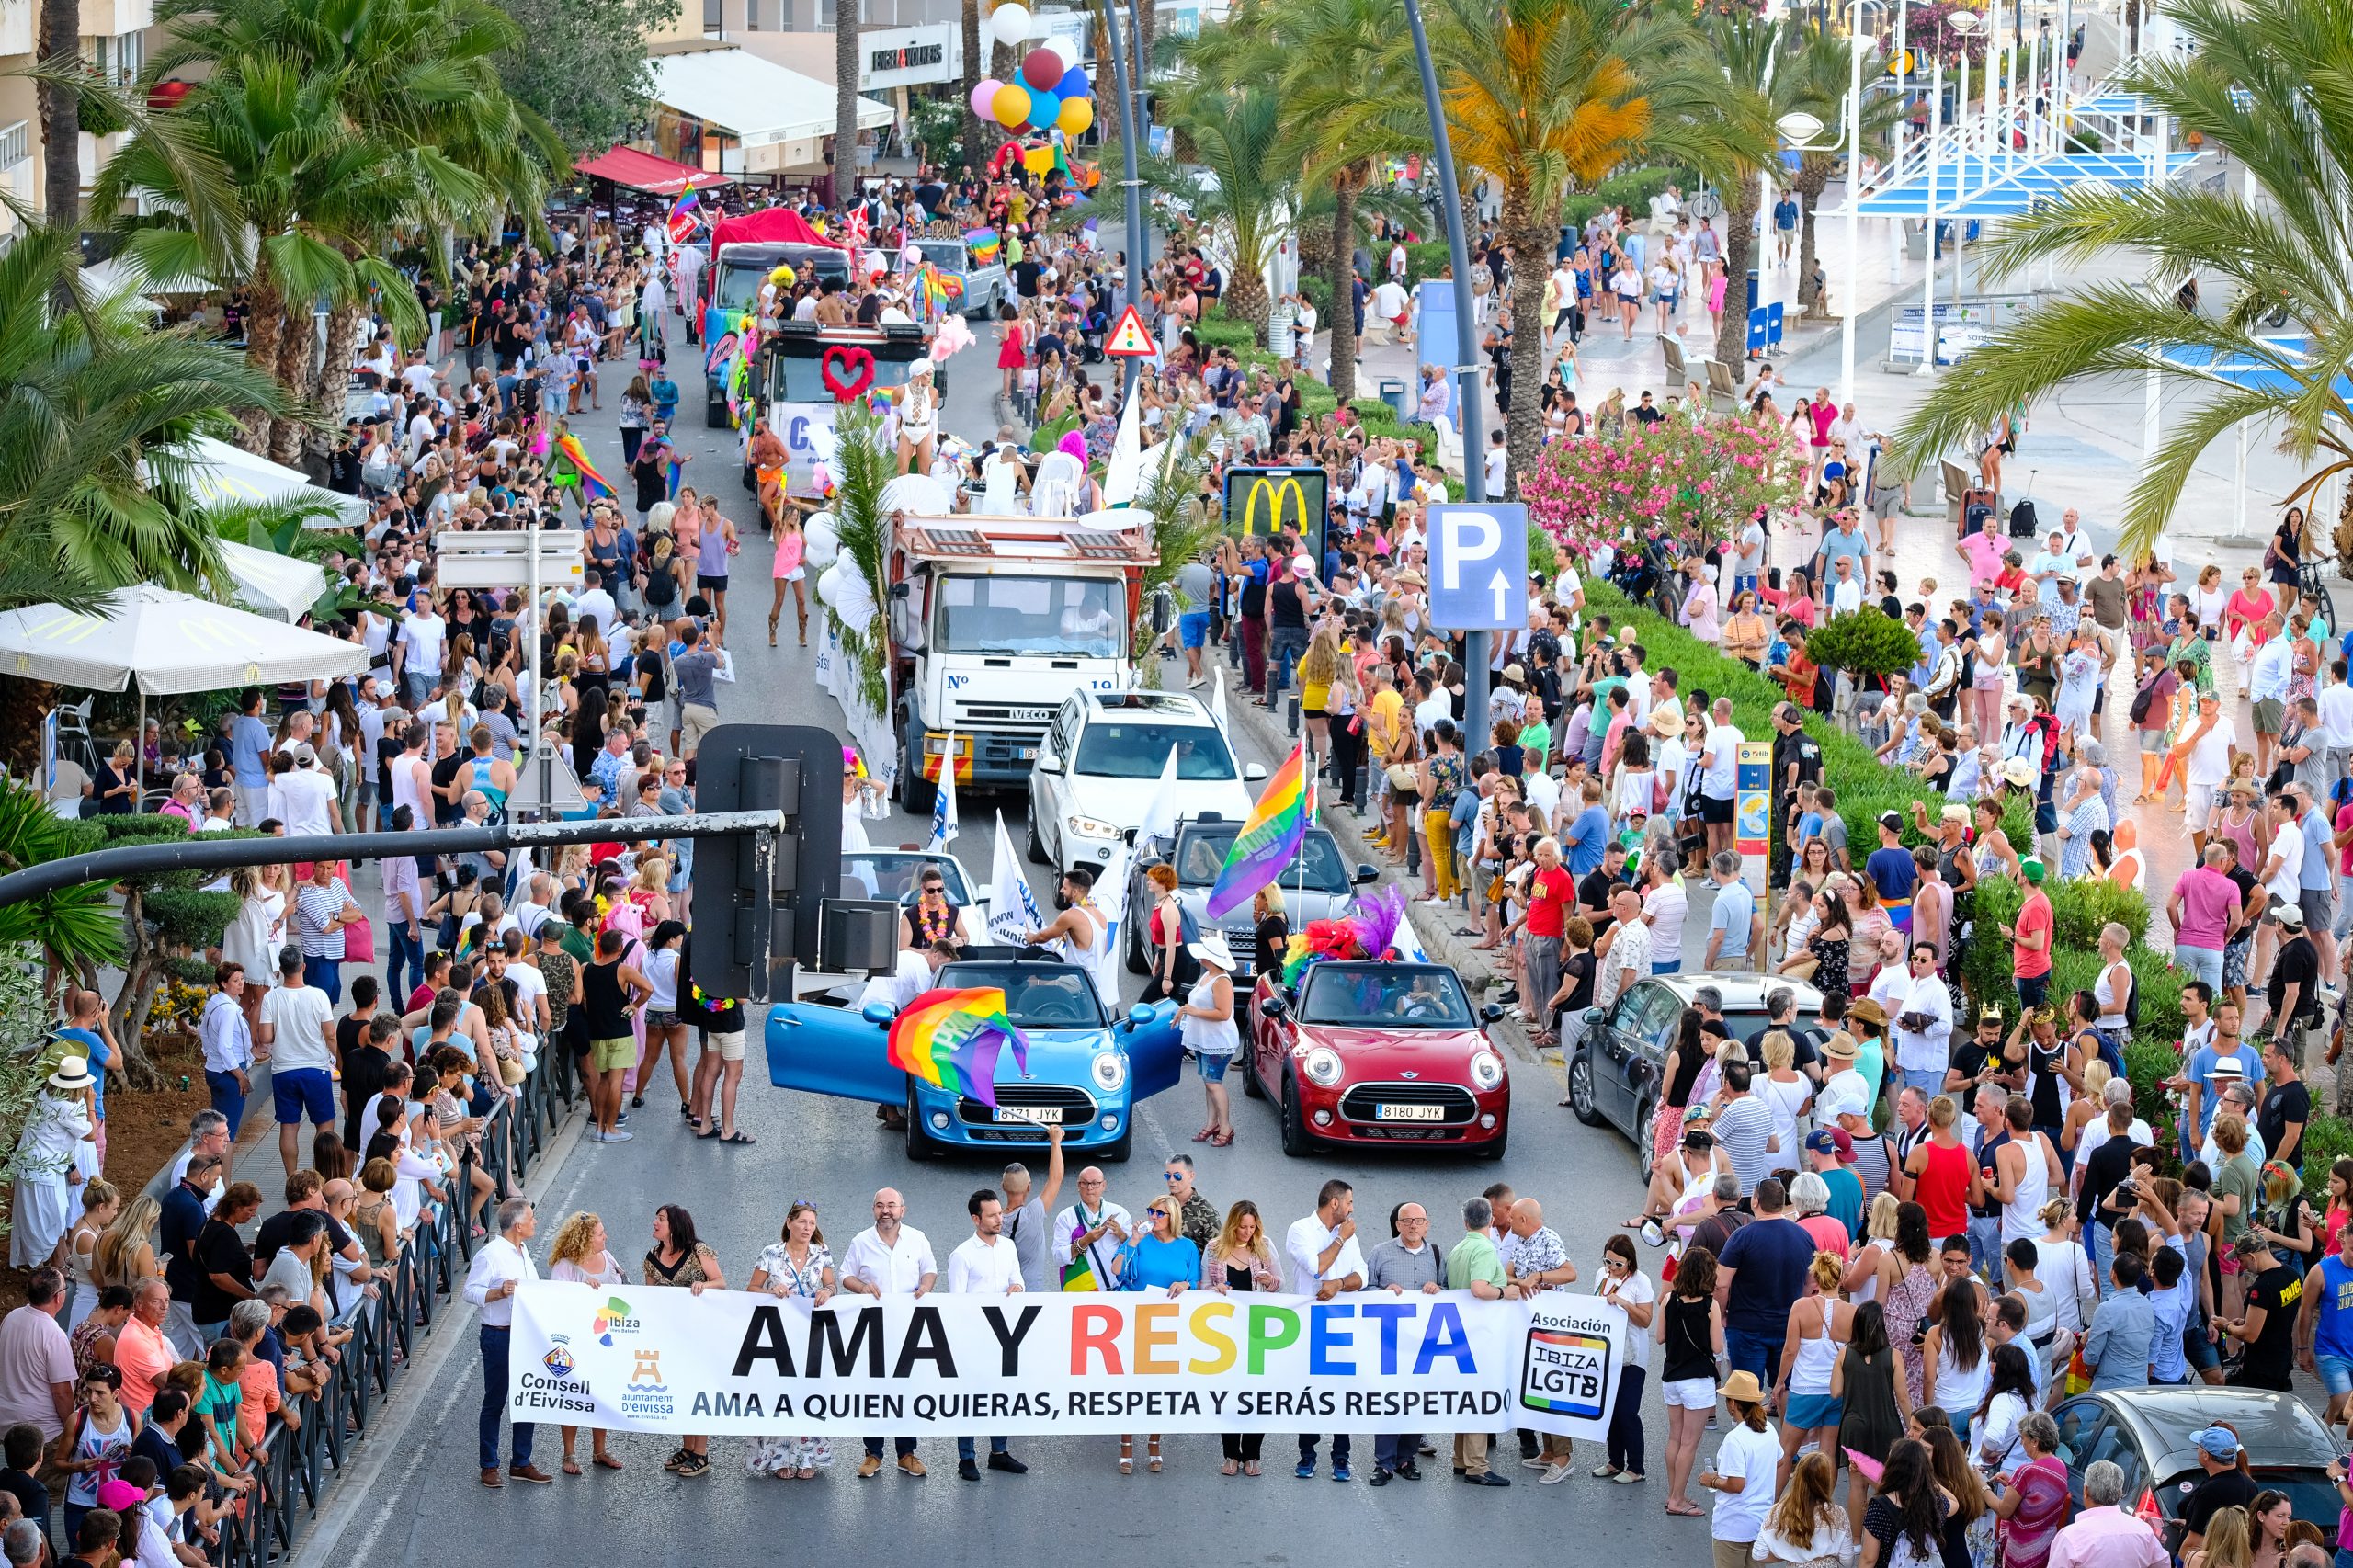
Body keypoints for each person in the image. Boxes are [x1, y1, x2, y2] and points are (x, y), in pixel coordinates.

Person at [839, 1188, 935, 1477]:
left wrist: (926, 1287)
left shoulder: (917, 1239)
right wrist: (862, 1287)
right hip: (873, 1329)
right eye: (880, 1206)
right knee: (875, 1392)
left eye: (891, 1206)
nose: (886, 1211)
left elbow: (929, 1269)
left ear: (902, 1210)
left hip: (909, 1329)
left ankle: (907, 1454)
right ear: (873, 1210)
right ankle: (873, 1454)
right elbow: (845, 1275)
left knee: (906, 1390)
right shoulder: (861, 1241)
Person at [461, 1198, 546, 1489]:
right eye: (532, 1218)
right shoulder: (491, 1254)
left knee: (526, 1399)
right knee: (495, 1401)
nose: (535, 1222)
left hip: (525, 1335)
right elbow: (470, 1292)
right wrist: (499, 1292)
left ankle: (521, 1462)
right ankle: (489, 1465)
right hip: (498, 1334)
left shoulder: (522, 1251)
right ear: (519, 1225)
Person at [944, 1189, 1027, 1481]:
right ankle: (966, 1458)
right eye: (991, 1215)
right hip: (974, 1339)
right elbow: (956, 1301)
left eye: (999, 1213)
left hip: (1006, 1336)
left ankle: (999, 1453)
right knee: (970, 1399)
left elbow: (1017, 1279)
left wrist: (1018, 1287)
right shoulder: (962, 1255)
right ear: (976, 1219)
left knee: (1001, 1396)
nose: (999, 1219)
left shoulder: (1008, 1247)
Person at [1287, 1179, 1365, 1480]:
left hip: (1342, 1321)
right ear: (1334, 1203)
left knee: (1342, 1393)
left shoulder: (1347, 1233)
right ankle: (1307, 1455)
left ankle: (1341, 1457)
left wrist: (1340, 1284)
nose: (1352, 1208)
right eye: (1349, 1202)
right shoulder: (1301, 1230)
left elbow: (1362, 1274)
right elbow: (1316, 1267)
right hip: (1309, 1324)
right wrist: (1340, 1240)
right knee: (1310, 1392)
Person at [1202, 1200, 1283, 1477]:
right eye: (1242, 1227)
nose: (1247, 1232)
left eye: (1252, 1227)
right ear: (1232, 1224)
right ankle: (1230, 1455)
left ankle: (1252, 1455)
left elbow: (1280, 1284)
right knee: (1228, 1393)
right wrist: (1216, 1288)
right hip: (1224, 1334)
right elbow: (1203, 1288)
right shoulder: (1214, 1249)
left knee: (1257, 1395)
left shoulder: (1264, 1246)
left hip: (1257, 1332)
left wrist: (1268, 1279)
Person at [1717, 1177, 1815, 1385]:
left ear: (1755, 1201)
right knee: (1786, 1388)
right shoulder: (1804, 1236)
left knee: (1747, 1390)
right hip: (1788, 1325)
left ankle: (1749, 1420)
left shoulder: (1741, 1237)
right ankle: (1785, 1418)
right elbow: (1810, 1283)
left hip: (1746, 1326)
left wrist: (1722, 1313)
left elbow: (1722, 1283)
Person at [1773, 1251, 1852, 1495]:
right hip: (1835, 1392)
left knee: (1785, 1452)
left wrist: (1778, 1384)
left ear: (1816, 1277)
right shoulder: (1852, 1312)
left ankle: (1769, 1508)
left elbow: (1790, 1350)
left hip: (1804, 1390)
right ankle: (1823, 1508)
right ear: (1841, 1279)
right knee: (1828, 1454)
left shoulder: (1801, 1307)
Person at [256, 945, 337, 1179]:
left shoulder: (271, 998)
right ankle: (318, 1177)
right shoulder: (318, 996)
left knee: (288, 1126)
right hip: (315, 1069)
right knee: (324, 1125)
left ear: (280, 970)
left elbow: (266, 1037)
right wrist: (341, 1060)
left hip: (283, 1071)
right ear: (303, 966)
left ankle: (292, 1179)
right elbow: (330, 1035)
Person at [1659, 1245, 1725, 1516]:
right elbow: (1717, 1347)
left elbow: (1660, 1337)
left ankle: (1674, 1493)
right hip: (1697, 1381)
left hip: (1671, 1377)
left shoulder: (1668, 1301)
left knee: (1675, 1438)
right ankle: (1677, 1500)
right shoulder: (1711, 1306)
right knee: (1690, 1443)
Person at [1699, 1369, 1780, 1568]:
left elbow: (1737, 1485)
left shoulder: (1735, 1439)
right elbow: (1778, 1461)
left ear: (1734, 1404)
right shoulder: (1768, 1428)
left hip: (1733, 1525)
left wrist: (1711, 1480)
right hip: (1760, 1522)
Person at [1594, 1233, 1654, 1485]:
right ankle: (1615, 1460)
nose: (1613, 1268)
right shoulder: (1601, 1275)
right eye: (1608, 1262)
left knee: (1627, 1411)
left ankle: (1636, 1467)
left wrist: (1623, 1303)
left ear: (1630, 1262)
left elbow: (1646, 1320)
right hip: (1607, 1352)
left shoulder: (1641, 1282)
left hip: (1633, 1355)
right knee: (1609, 1410)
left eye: (1619, 1264)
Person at [1176, 933, 1239, 1146]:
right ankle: (1212, 1123)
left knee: (1214, 1084)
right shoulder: (1207, 976)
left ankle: (1225, 1127)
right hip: (1205, 1040)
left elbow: (1223, 1013)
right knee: (1210, 1083)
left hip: (1218, 1042)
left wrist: (1193, 1011)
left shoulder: (1221, 981)